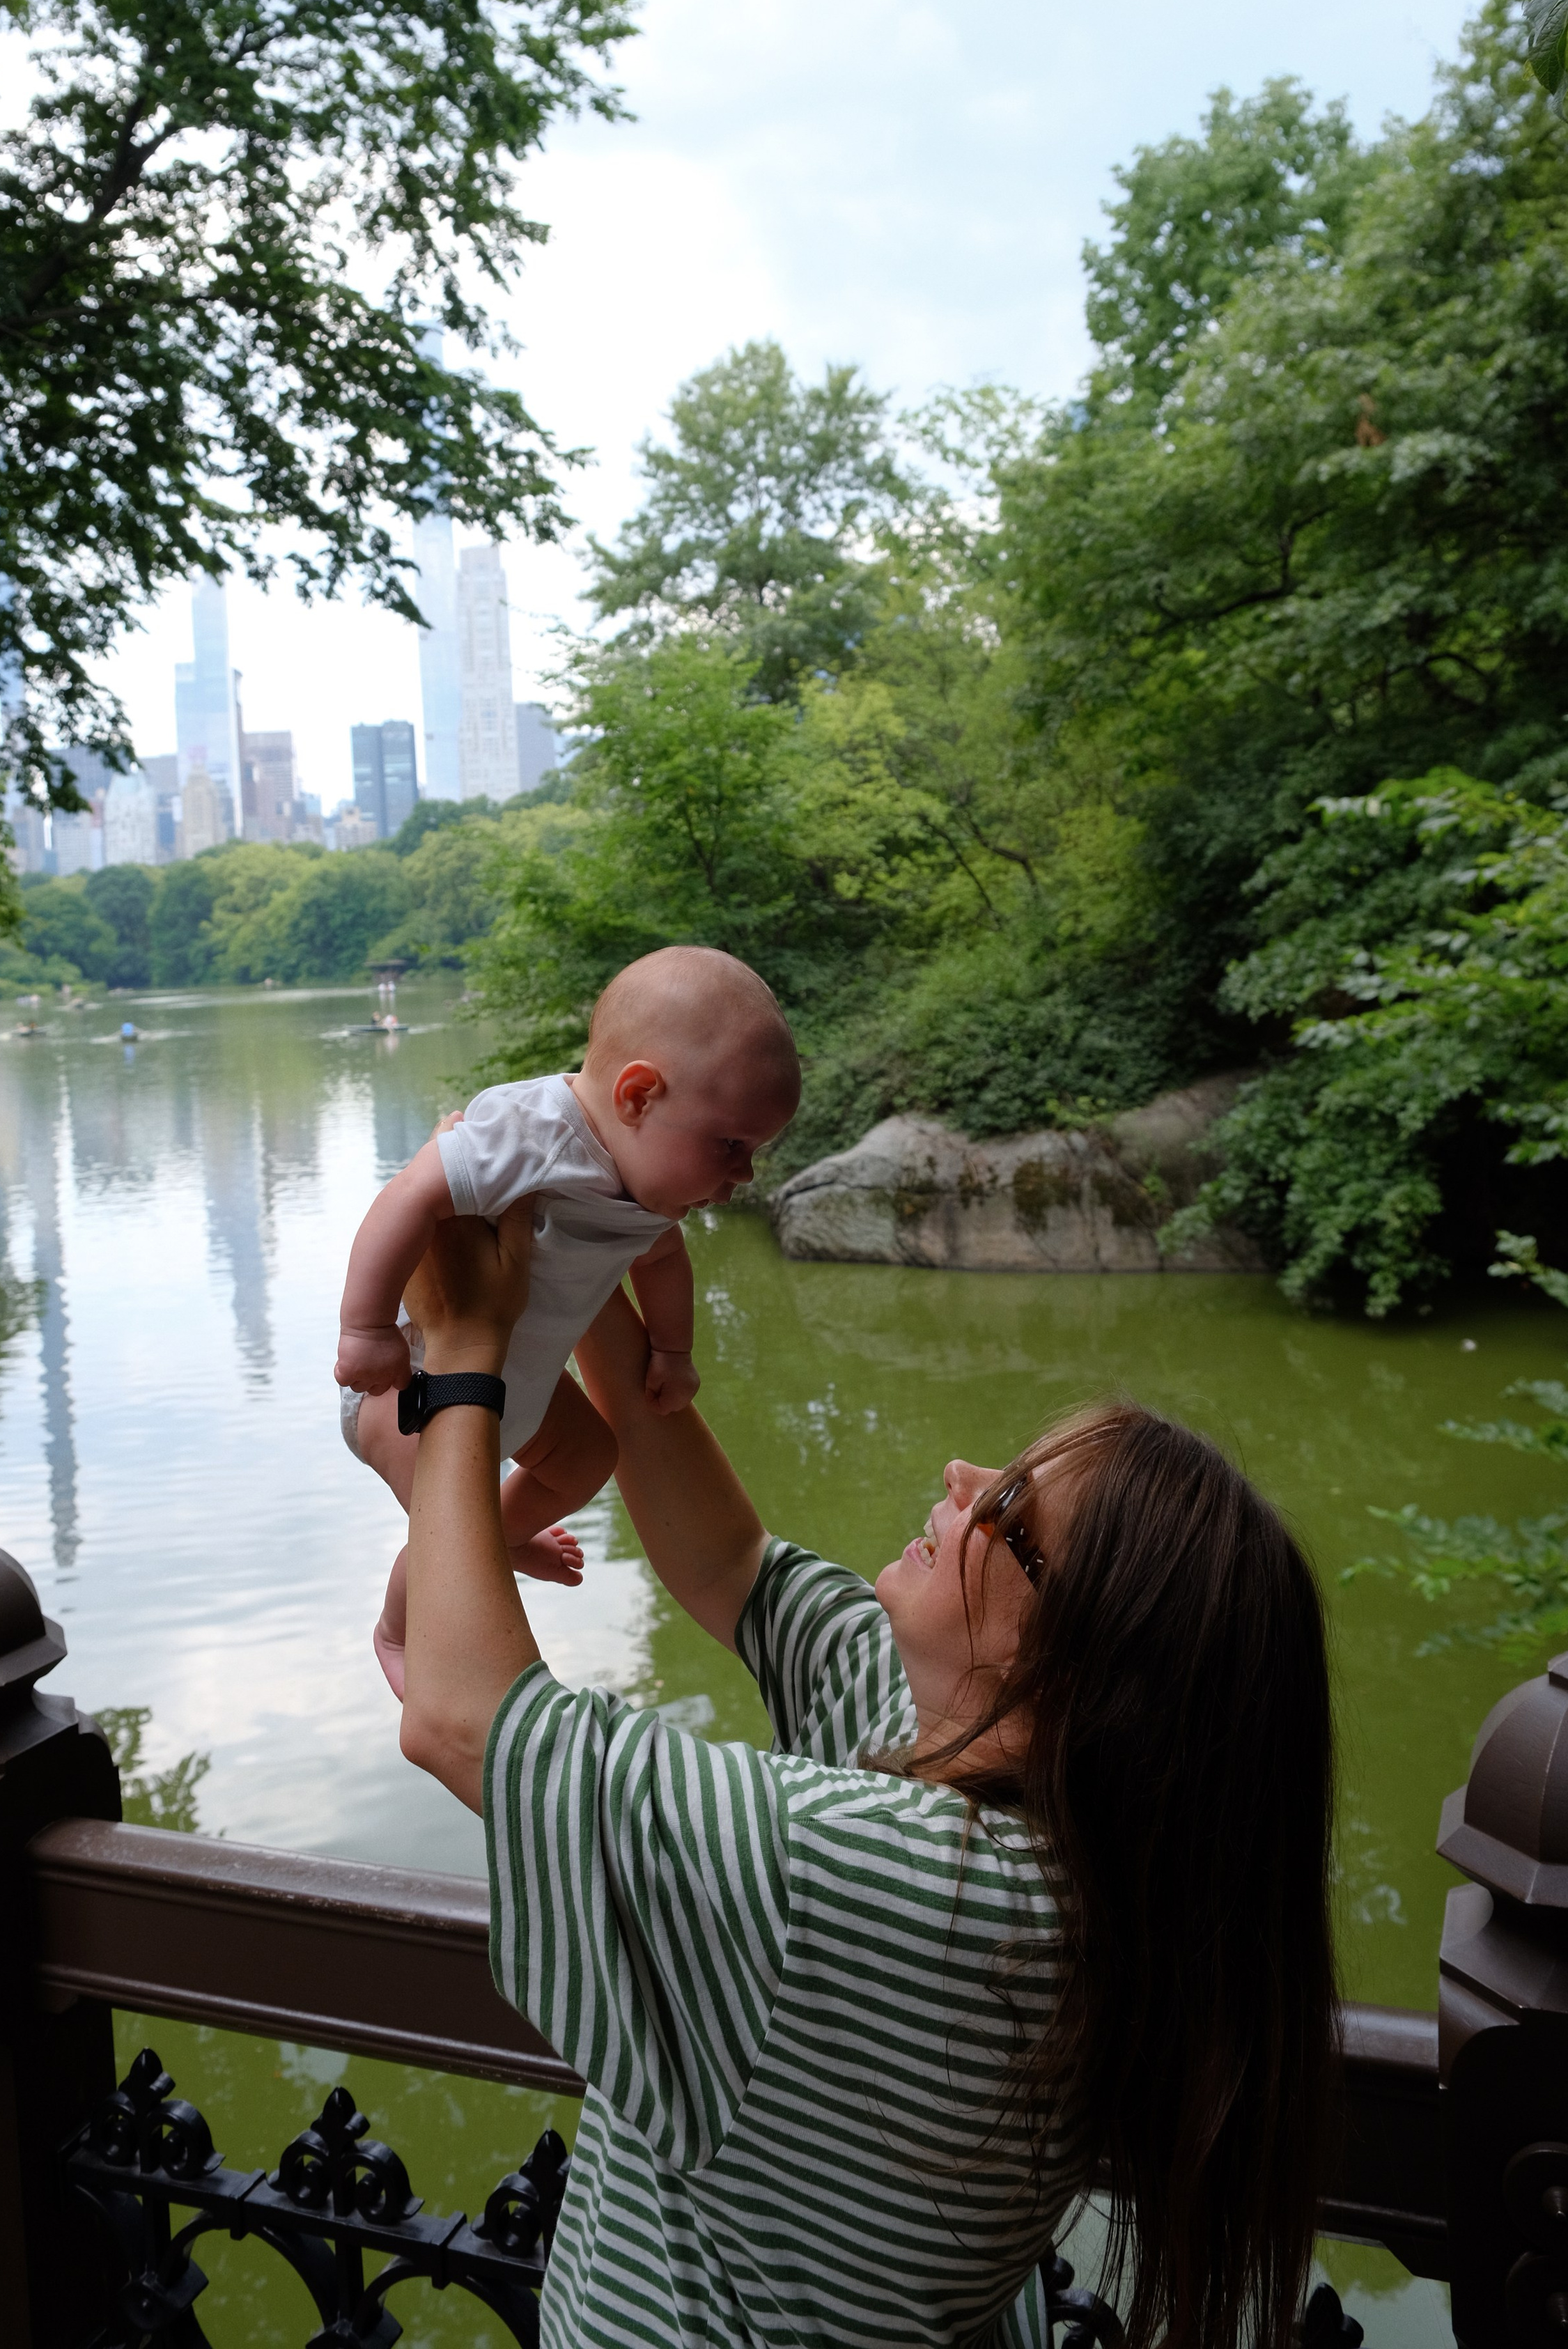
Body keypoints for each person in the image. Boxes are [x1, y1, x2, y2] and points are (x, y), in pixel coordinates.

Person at [394, 1206, 1339, 2349]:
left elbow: (464, 1718)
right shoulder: (1049, 1831)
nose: (964, 1474)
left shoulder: (903, 1886)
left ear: (1077, 1674)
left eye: (1011, 1513)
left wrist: (461, 1354)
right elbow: (729, 1565)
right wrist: (593, 1241)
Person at [336, 947, 802, 1692]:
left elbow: (661, 1259)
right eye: (732, 1145)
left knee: (590, 1457)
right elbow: (409, 1195)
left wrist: (672, 1352)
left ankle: (503, 1530)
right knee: (450, 1533)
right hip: (407, 1386)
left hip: (521, 1388)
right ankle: (398, 1631)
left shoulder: (644, 1184)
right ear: (638, 1095)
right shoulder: (529, 1133)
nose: (744, 1174)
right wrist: (364, 1332)